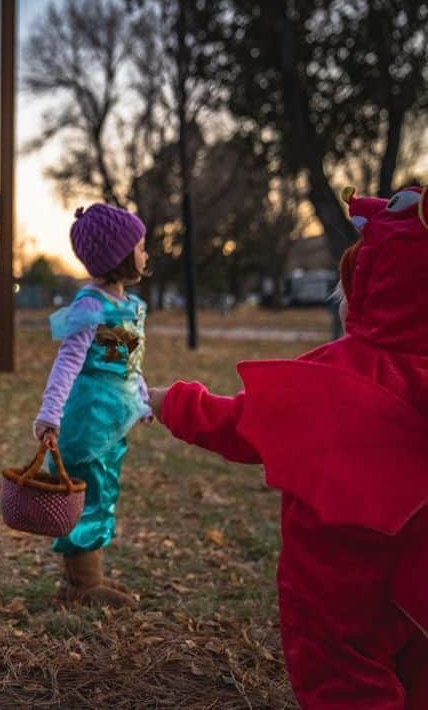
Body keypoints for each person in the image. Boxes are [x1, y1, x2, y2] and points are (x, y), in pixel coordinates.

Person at [148, 185, 427, 709]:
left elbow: (242, 424)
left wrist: (172, 402)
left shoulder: (339, 372)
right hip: (418, 588)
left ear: (365, 283)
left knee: (344, 681)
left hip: (337, 590)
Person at [31, 204, 151, 608]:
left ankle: (82, 580)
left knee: (104, 488)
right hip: (87, 418)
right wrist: (50, 413)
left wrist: (142, 400)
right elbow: (68, 362)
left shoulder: (127, 305)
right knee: (87, 491)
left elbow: (128, 363)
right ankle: (84, 584)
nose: (146, 254)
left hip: (113, 420)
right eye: (140, 246)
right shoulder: (90, 306)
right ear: (118, 255)